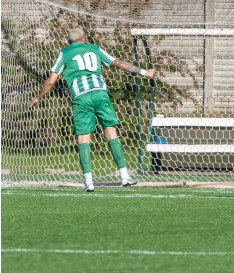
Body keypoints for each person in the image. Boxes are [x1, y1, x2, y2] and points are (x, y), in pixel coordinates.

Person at [28, 28, 156, 192]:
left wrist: (38, 98)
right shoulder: (95, 49)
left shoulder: (64, 53)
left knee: (83, 140)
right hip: (100, 94)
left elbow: (51, 80)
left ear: (69, 42)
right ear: (84, 39)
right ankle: (125, 176)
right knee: (111, 133)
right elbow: (118, 63)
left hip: (81, 98)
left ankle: (88, 183)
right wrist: (145, 72)